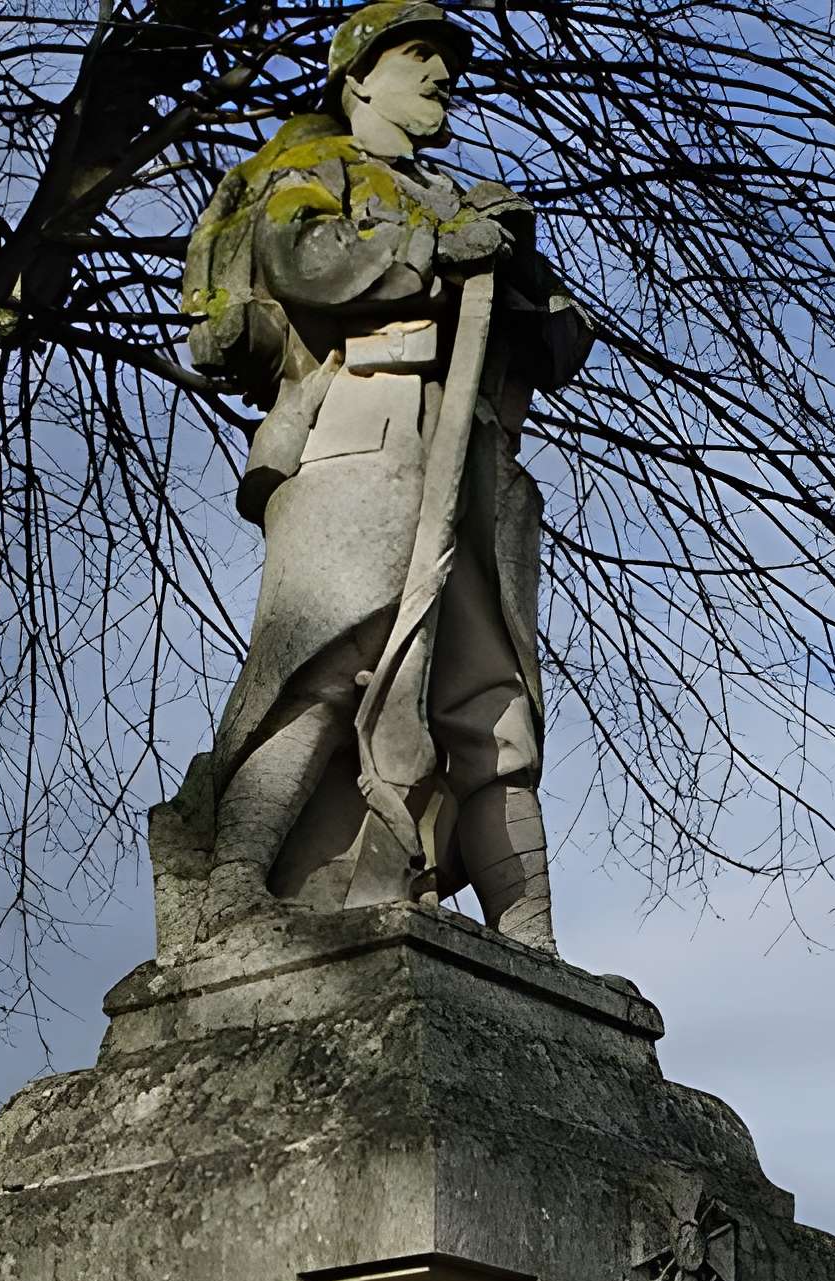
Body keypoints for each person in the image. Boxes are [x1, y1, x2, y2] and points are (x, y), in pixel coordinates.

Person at [184, 0, 592, 949]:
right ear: (357, 77)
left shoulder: (466, 199)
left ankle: (529, 937)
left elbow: (565, 338)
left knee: (490, 698)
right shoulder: (307, 171)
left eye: (448, 62)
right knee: (323, 661)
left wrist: (519, 271)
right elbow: (301, 259)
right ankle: (234, 888)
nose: (443, 76)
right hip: (361, 427)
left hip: (476, 450)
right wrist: (431, 251)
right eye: (418, 58)